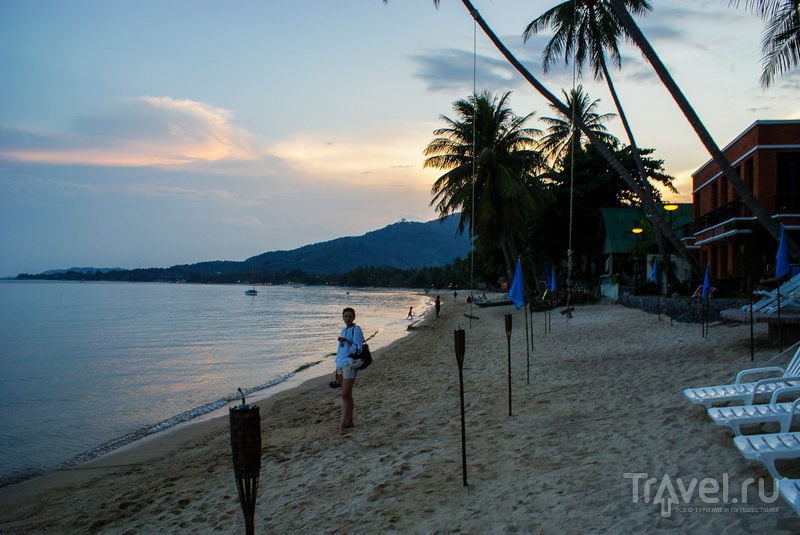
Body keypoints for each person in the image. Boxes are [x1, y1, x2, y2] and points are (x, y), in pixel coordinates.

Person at [335, 307, 363, 434]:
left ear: (354, 317)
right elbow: (340, 351)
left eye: (350, 316)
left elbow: (358, 348)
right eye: (345, 316)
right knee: (346, 394)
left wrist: (346, 340)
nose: (348, 318)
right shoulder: (342, 330)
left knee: (345, 394)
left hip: (350, 364)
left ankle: (342, 425)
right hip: (341, 364)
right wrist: (336, 368)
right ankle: (349, 421)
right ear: (343, 317)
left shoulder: (356, 330)